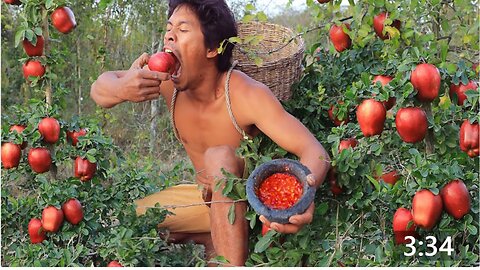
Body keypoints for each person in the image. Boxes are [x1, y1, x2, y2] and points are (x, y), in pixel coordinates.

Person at [90, 0, 330, 266]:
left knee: (219, 157)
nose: (169, 36)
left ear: (213, 48)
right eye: (169, 29)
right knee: (127, 220)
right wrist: (121, 89)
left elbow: (316, 153)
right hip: (201, 198)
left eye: (182, 30)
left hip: (247, 209)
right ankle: (210, 237)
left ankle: (228, 258)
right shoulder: (168, 83)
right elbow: (100, 88)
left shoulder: (245, 94)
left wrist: (301, 199)